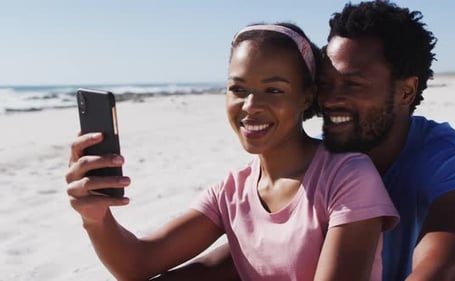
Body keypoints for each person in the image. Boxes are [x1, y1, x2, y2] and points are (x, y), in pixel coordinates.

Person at [159, 1, 455, 280]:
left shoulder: (447, 155)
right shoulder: (319, 160)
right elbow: (257, 248)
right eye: (326, 83)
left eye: (352, 85)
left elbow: (447, 267)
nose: (330, 99)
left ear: (406, 90)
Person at [65, 22, 399, 281]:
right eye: (238, 89)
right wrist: (95, 218)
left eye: (273, 89)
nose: (251, 106)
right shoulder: (232, 191)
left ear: (306, 96)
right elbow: (137, 263)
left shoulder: (348, 176)